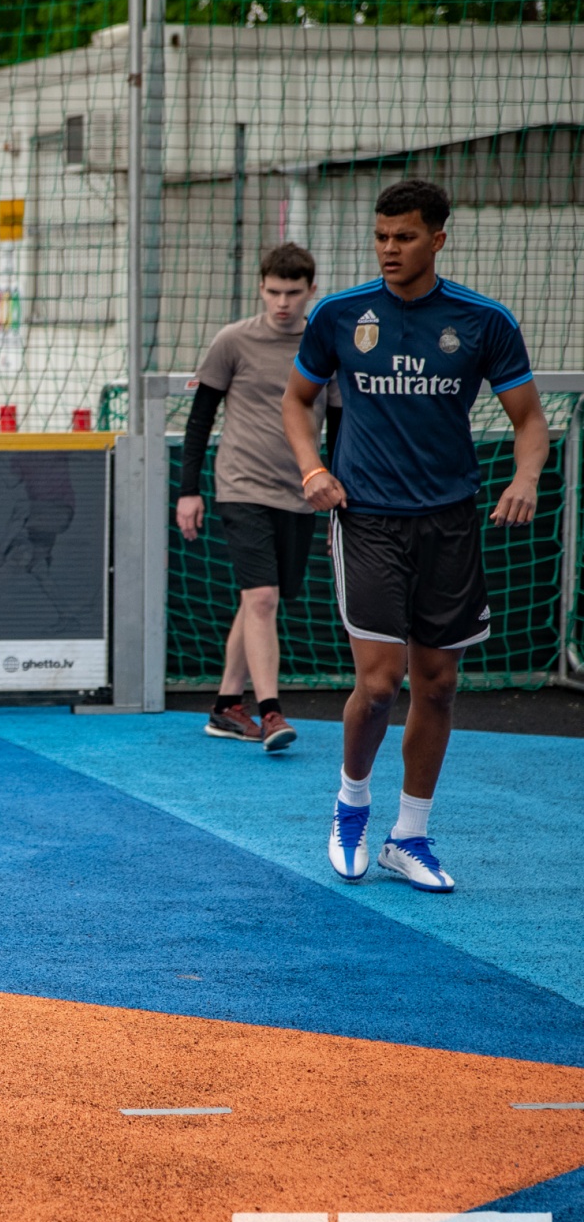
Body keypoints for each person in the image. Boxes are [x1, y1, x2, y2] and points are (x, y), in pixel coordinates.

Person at [285, 179, 549, 893]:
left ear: (438, 238)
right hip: (367, 518)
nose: (390, 249)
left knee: (438, 684)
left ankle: (409, 837)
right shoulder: (340, 315)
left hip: (450, 521)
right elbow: (297, 399)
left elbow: (529, 419)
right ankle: (351, 805)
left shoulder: (483, 320)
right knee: (379, 684)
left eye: (404, 237)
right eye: (381, 236)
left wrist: (525, 478)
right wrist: (312, 469)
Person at [174, 242, 340, 751]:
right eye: (273, 292)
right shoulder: (233, 341)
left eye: (293, 293)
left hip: (301, 492)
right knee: (262, 598)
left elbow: (340, 425)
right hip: (241, 486)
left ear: (312, 291)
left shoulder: (325, 345)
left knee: (259, 600)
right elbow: (200, 419)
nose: (282, 302)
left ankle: (226, 706)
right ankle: (271, 713)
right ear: (260, 289)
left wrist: (336, 492)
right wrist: (188, 491)